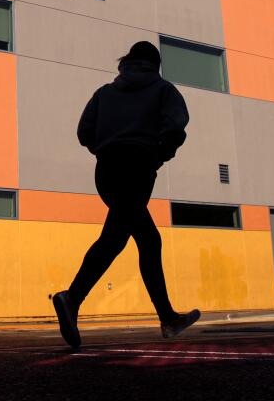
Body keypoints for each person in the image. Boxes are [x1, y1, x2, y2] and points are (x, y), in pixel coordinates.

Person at [51, 41, 201, 348]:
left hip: (106, 170)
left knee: (129, 238)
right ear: (155, 63)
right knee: (129, 239)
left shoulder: (105, 93)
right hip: (137, 167)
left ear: (128, 63)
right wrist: (161, 153)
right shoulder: (163, 90)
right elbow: (176, 126)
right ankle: (73, 297)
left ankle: (166, 317)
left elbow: (83, 132)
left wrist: (102, 148)